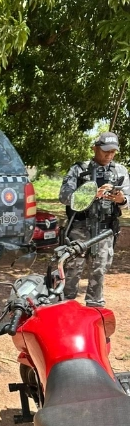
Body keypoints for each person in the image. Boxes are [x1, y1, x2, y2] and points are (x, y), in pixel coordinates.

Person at [59, 131, 130, 307]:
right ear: (95, 148)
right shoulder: (79, 169)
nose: (109, 155)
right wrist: (91, 194)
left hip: (105, 230)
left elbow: (127, 201)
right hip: (79, 228)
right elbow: (64, 196)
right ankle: (65, 305)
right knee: (72, 269)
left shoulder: (120, 171)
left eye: (113, 152)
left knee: (99, 270)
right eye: (106, 150)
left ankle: (94, 308)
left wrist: (120, 199)